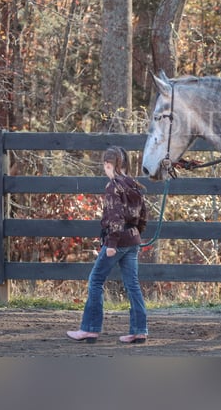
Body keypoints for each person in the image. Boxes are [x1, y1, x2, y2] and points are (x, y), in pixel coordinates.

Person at [67, 146, 149, 344]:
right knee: (132, 285)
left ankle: (89, 329)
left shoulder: (113, 186)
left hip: (118, 241)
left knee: (95, 280)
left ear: (108, 164)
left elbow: (115, 216)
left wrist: (111, 243)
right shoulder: (134, 185)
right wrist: (137, 233)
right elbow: (143, 213)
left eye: (105, 165)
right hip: (132, 240)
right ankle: (139, 330)